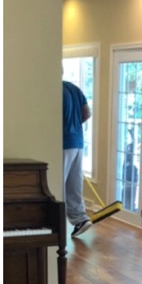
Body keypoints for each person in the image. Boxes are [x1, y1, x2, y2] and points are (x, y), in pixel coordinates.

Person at [62, 79, 92, 238]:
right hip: (78, 142)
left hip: (62, 143)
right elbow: (87, 113)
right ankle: (80, 219)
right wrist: (73, 125)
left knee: (58, 184)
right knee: (74, 183)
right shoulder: (73, 88)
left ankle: (56, 223)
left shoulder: (52, 89)